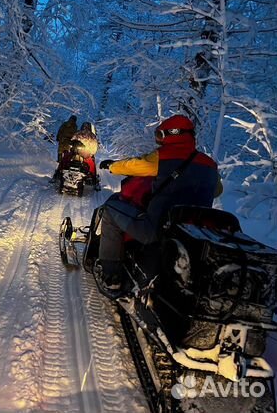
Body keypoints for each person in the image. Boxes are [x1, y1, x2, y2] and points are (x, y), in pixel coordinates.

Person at [96, 114, 223, 295]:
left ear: (170, 135)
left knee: (109, 211)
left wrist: (112, 166)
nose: (158, 140)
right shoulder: (210, 165)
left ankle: (111, 275)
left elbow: (134, 165)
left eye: (160, 135)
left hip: (158, 229)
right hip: (193, 233)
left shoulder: (163, 157)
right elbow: (217, 190)